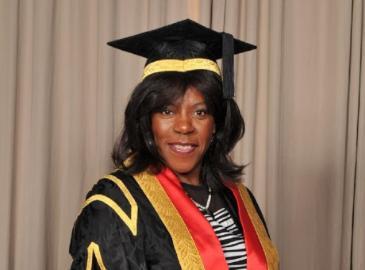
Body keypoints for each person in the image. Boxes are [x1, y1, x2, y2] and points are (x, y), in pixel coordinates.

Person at [69, 19, 279, 270]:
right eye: (167, 111)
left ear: (216, 125)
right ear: (147, 121)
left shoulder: (238, 197)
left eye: (200, 113)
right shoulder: (118, 205)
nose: (184, 126)